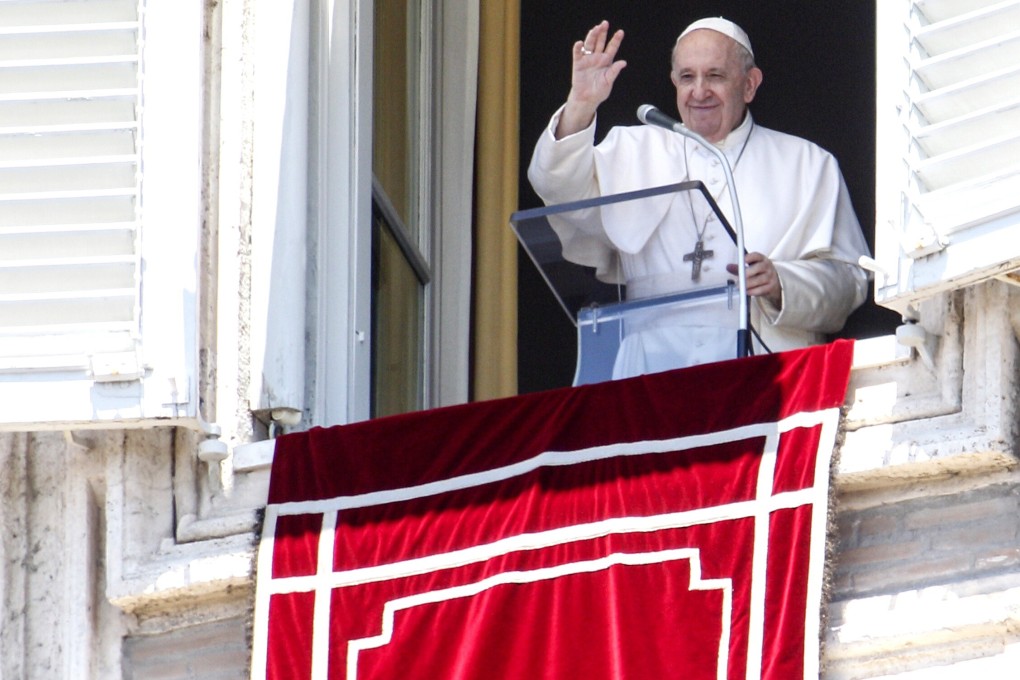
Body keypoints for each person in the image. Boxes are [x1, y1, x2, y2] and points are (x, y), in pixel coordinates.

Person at [528, 17, 870, 378]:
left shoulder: (807, 164)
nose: (699, 91)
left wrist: (783, 283)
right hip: (649, 373)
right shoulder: (633, 148)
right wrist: (581, 104)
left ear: (750, 85)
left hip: (763, 372)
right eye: (687, 77)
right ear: (674, 82)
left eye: (716, 76)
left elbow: (848, 281)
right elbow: (554, 184)